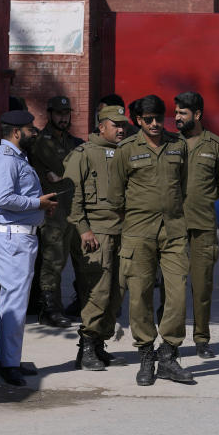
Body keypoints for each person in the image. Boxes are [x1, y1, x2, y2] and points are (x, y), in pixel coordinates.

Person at [113, 95, 194, 386]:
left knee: (177, 293)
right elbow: (115, 195)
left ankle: (169, 354)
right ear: (138, 121)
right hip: (138, 232)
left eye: (160, 118)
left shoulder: (178, 145)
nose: (156, 124)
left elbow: (182, 187)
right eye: (149, 119)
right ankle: (146, 355)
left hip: (173, 230)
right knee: (140, 296)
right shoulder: (125, 150)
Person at [0, 110, 58, 387]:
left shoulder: (16, 158)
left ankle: (7, 359)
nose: (35, 133)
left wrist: (40, 209)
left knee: (12, 300)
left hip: (17, 235)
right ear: (17, 133)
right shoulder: (6, 160)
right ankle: (9, 365)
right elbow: (3, 198)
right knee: (15, 302)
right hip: (12, 238)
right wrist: (37, 205)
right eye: (31, 129)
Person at [63, 104, 134, 371]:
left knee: (116, 291)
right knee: (97, 291)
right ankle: (87, 347)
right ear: (101, 126)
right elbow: (70, 196)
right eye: (115, 125)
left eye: (123, 125)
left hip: (122, 232)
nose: (121, 129)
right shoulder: (82, 154)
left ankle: (100, 344)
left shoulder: (125, 153)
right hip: (95, 234)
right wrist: (83, 229)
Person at [174, 91, 219, 359]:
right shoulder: (170, 143)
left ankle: (201, 340)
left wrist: (201, 199)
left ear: (196, 115)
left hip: (203, 226)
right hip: (172, 225)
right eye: (176, 112)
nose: (176, 117)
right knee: (172, 288)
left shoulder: (216, 145)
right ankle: (170, 341)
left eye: (182, 113)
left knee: (202, 286)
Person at [28, 95, 84, 328]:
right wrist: (67, 169)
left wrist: (65, 172)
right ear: (50, 114)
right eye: (59, 114)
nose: (63, 118)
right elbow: (69, 166)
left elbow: (77, 167)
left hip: (75, 209)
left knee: (83, 259)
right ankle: (50, 309)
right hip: (53, 212)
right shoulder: (42, 141)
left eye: (66, 114)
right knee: (53, 261)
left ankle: (83, 303)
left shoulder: (71, 141)